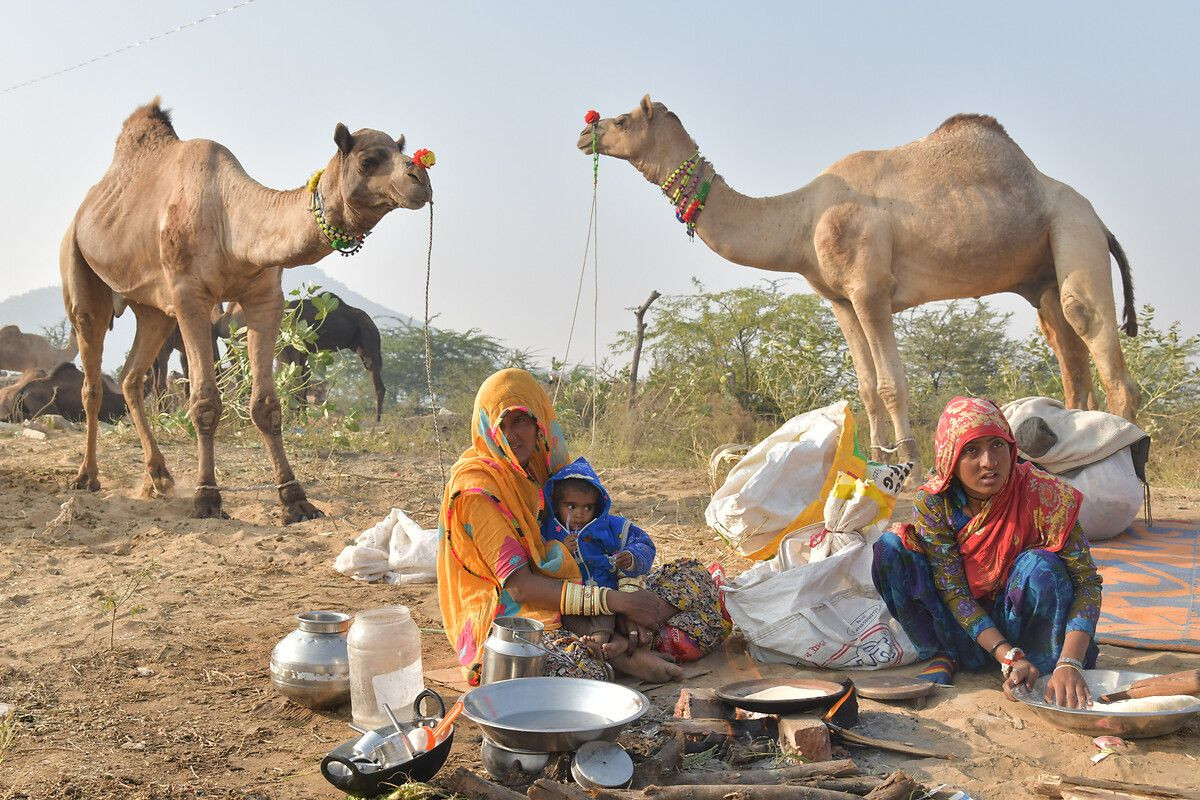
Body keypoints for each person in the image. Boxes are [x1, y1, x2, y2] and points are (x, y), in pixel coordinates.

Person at [437, 368, 728, 685]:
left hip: (584, 594)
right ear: (485, 428)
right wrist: (617, 602)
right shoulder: (477, 490)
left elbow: (601, 540)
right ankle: (621, 656)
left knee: (694, 578)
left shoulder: (546, 470)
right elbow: (520, 587)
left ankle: (621, 640)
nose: (511, 435)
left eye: (520, 420)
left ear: (539, 422)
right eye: (501, 425)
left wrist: (627, 598)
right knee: (564, 668)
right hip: (517, 615)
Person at [872, 396, 1102, 710]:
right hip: (964, 629)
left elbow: (1087, 583)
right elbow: (954, 591)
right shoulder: (936, 502)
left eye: (997, 445)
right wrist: (1007, 655)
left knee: (1040, 565)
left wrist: (1070, 662)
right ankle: (944, 653)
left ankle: (1044, 666)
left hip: (1025, 625)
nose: (989, 462)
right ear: (951, 457)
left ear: (1011, 447)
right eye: (971, 450)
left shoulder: (1046, 495)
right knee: (890, 549)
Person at [543, 457, 657, 590]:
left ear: (597, 506)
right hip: (568, 598)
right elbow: (538, 565)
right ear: (556, 505)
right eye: (571, 506)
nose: (579, 514)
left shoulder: (610, 526)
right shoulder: (547, 532)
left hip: (611, 596)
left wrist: (631, 557)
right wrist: (561, 550)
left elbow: (644, 543)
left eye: (588, 507)